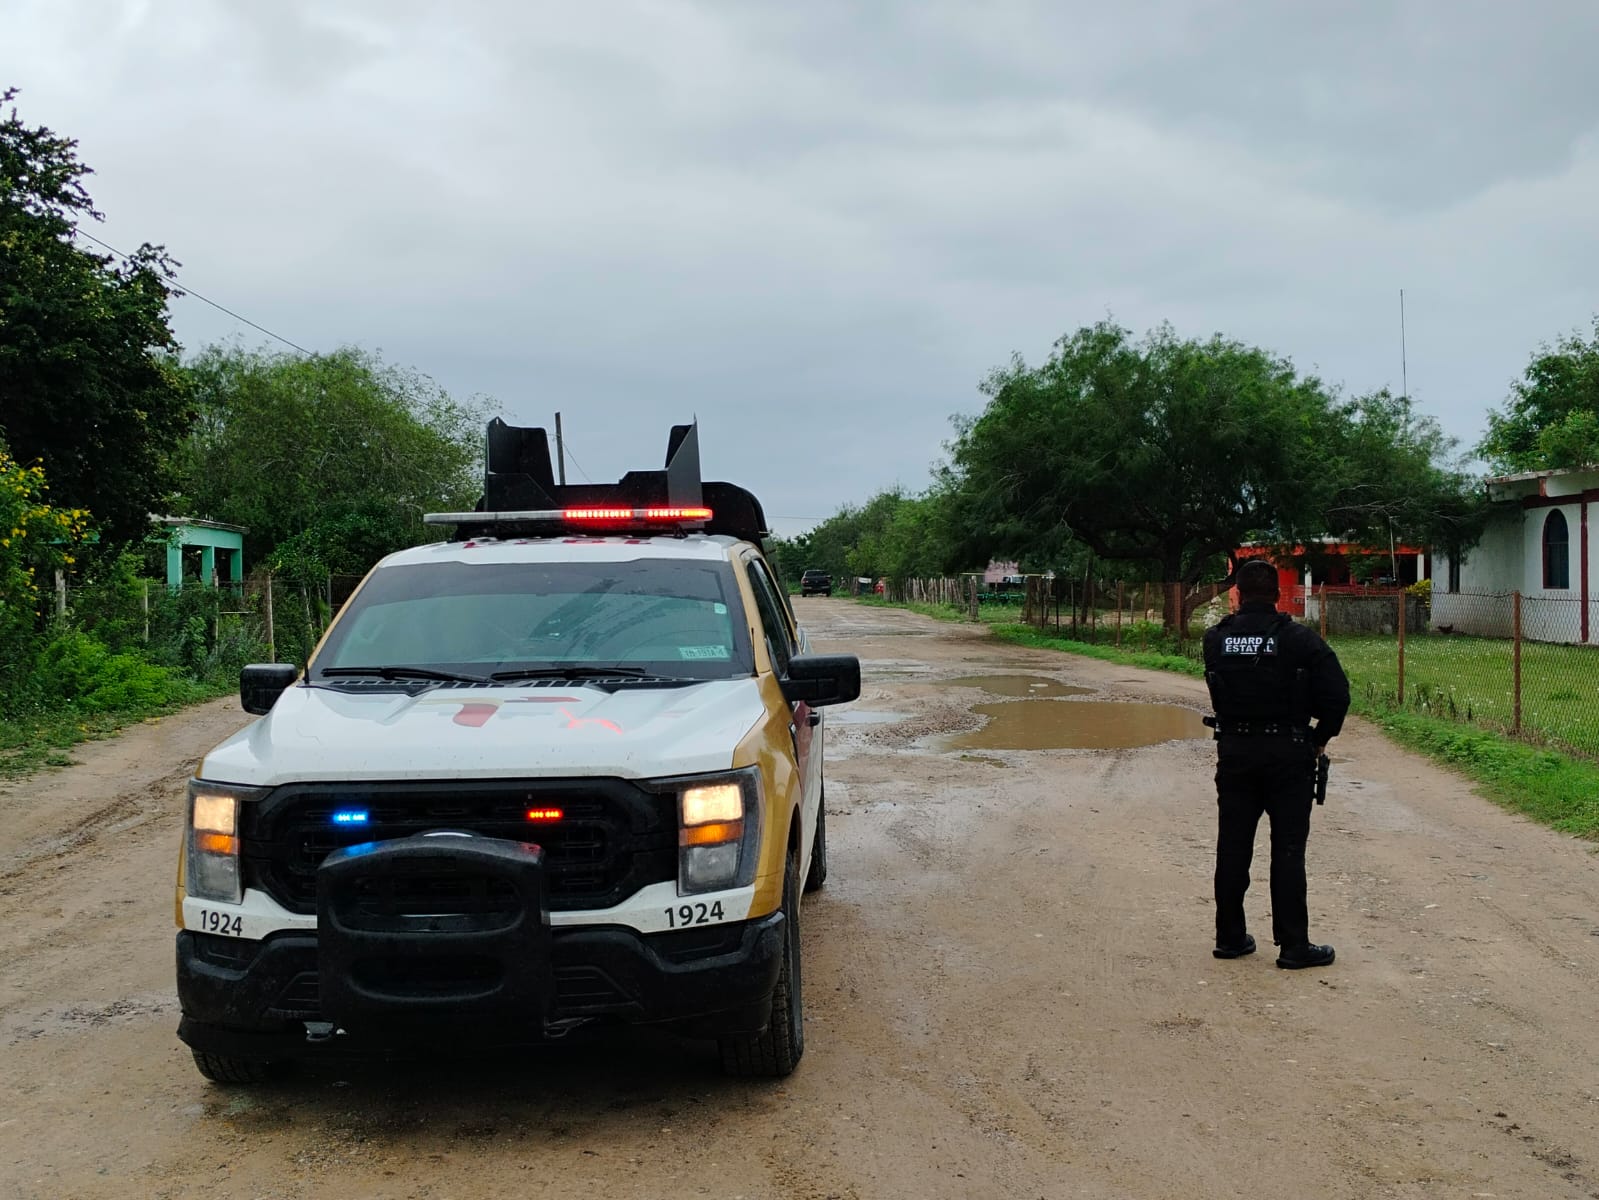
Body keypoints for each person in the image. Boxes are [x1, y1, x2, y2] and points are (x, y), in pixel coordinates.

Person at [1201, 559, 1350, 969]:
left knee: (1232, 847)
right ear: (1277, 593)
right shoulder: (1301, 640)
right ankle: (1293, 946)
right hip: (1289, 754)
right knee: (1287, 850)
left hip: (1235, 752)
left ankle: (1229, 937)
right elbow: (1337, 697)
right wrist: (1317, 740)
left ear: (1238, 593)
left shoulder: (1216, 639)